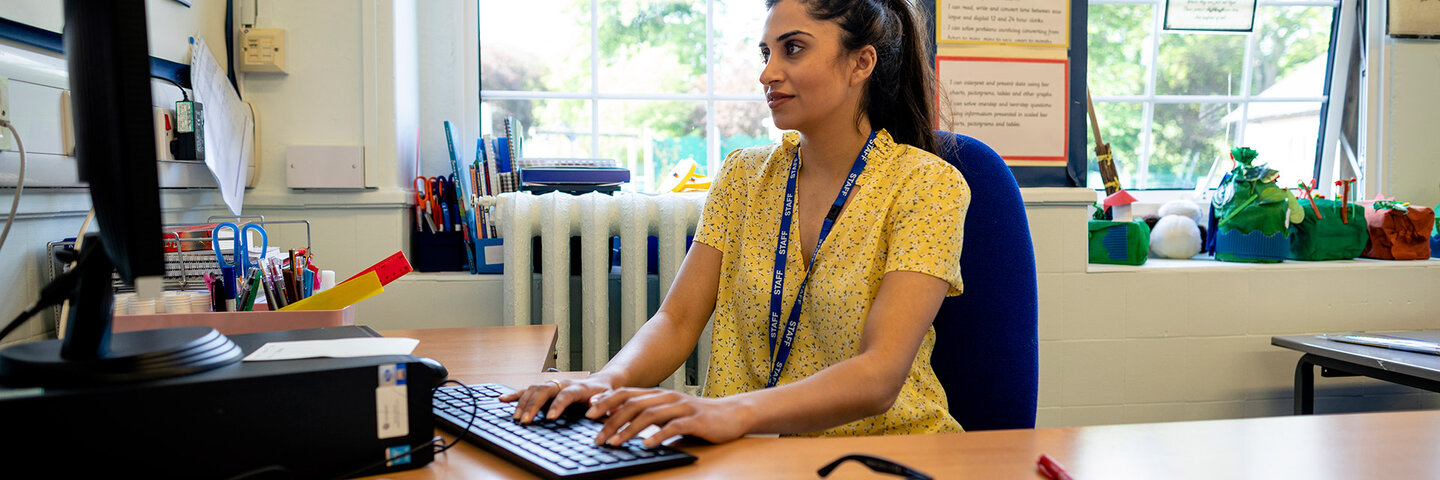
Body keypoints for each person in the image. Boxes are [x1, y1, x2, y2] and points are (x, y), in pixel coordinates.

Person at [499, 0, 970, 448]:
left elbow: (880, 374)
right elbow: (677, 321)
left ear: (860, 63)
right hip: (746, 449)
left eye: (794, 48)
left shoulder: (927, 185)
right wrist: (602, 384)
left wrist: (733, 412)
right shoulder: (743, 176)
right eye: (766, 53)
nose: (767, 73)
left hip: (885, 452)